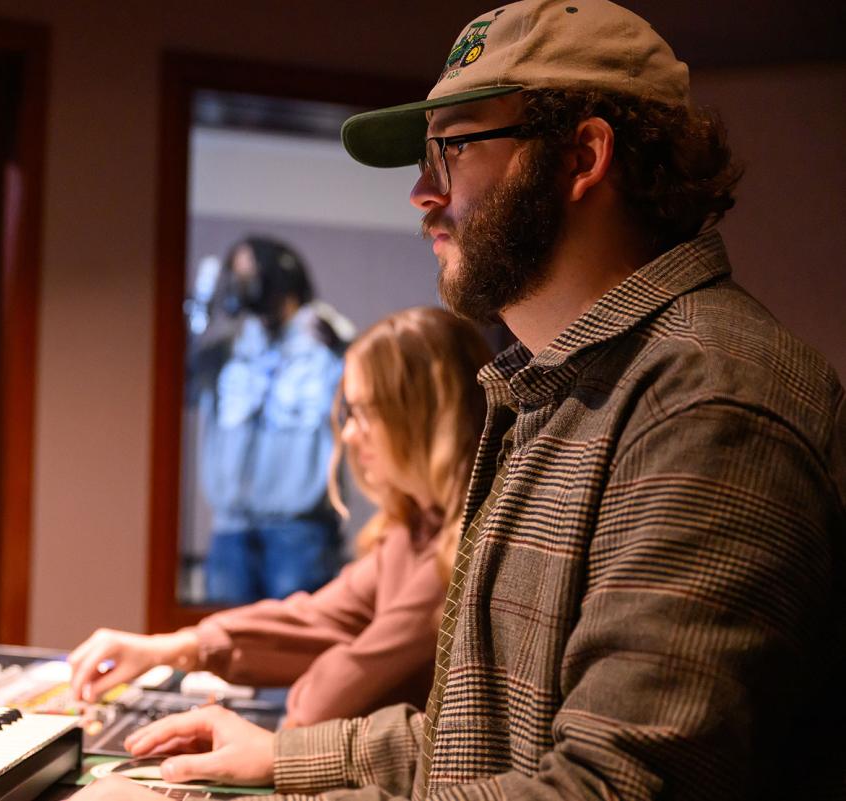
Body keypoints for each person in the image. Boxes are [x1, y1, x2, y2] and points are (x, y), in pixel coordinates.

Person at [77, 1, 846, 799]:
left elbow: (609, 787)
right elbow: (487, 737)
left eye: (452, 150)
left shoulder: (706, 403)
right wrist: (286, 759)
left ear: (582, 157)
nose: (419, 192)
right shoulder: (565, 390)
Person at [69, 307, 492, 727]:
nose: (347, 433)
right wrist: (172, 647)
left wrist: (310, 678)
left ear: (424, 418)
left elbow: (319, 705)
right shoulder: (416, 528)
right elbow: (317, 617)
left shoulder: (462, 548)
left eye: (366, 412)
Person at [190, 235, 349, 604]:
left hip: (300, 531)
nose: (241, 286)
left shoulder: (327, 344)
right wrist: (203, 305)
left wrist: (342, 343)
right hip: (230, 529)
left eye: (249, 275)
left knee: (294, 646)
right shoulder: (228, 351)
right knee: (223, 640)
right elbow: (180, 379)